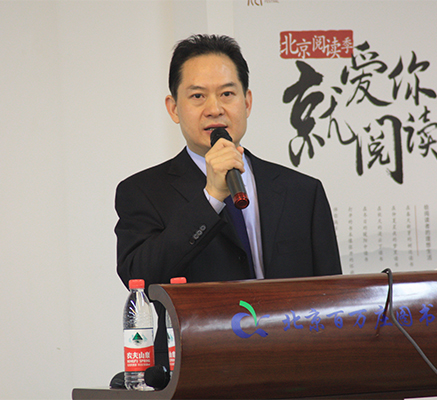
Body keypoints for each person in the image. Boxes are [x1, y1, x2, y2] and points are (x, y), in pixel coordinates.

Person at [114, 34, 341, 368]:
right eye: (197, 96)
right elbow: (141, 280)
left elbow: (334, 299)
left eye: (227, 94)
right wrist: (211, 197)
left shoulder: (302, 191)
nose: (215, 109)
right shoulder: (143, 191)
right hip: (196, 369)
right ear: (174, 108)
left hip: (294, 368)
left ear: (247, 102)